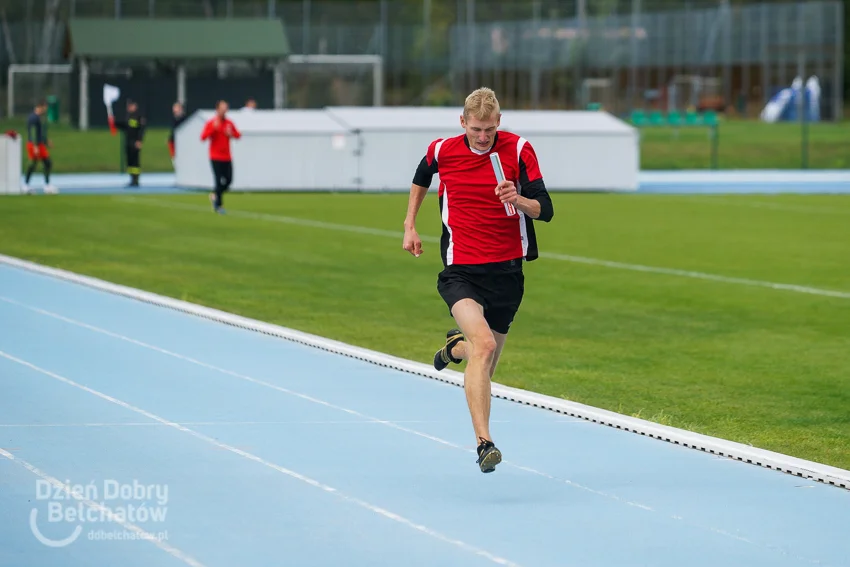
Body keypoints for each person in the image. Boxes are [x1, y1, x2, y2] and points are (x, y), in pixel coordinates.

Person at [402, 87, 554, 474]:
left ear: (498, 122)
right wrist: (410, 224)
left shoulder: (519, 150)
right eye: (475, 129)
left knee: (483, 363)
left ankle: (456, 349)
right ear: (462, 123)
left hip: (507, 273)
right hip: (461, 270)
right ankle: (484, 444)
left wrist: (518, 199)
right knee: (484, 345)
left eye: (488, 129)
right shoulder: (443, 150)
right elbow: (421, 175)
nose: (482, 137)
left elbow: (546, 210)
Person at [200, 100, 241, 214]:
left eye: (226, 108)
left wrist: (231, 134)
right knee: (218, 181)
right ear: (217, 109)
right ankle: (219, 205)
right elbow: (203, 137)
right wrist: (213, 129)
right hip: (215, 156)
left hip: (227, 157)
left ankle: (215, 194)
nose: (224, 110)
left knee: (228, 180)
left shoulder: (229, 123)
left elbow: (238, 135)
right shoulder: (212, 123)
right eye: (222, 108)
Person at [22, 100, 57, 194]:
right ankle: (27, 185)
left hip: (39, 144)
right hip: (35, 145)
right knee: (34, 164)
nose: (45, 110)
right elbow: (33, 132)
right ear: (40, 107)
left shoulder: (37, 117)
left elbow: (39, 132)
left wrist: (46, 141)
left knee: (46, 162)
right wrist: (35, 146)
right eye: (45, 108)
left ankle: (45, 185)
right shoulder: (34, 118)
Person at [109, 99, 146, 187]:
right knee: (129, 161)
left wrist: (139, 140)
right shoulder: (128, 116)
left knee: (135, 161)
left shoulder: (139, 117)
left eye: (130, 106)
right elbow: (124, 126)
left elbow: (142, 130)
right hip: (128, 142)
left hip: (135, 142)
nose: (129, 108)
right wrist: (113, 122)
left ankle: (136, 179)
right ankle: (131, 179)